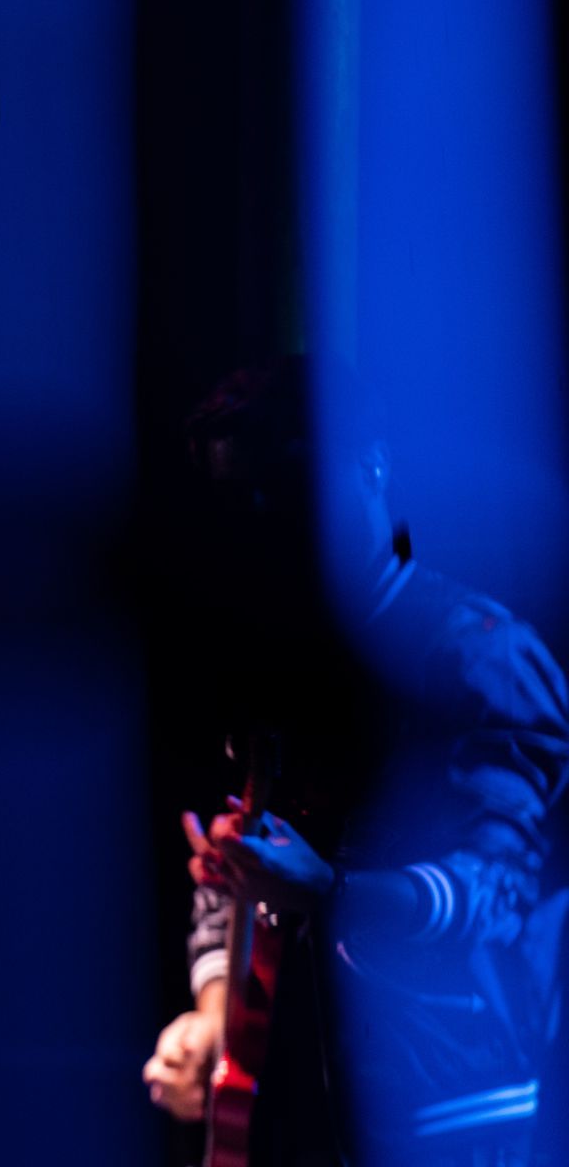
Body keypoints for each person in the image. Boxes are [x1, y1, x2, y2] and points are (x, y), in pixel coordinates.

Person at [142, 359, 568, 1164]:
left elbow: (500, 891)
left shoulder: (479, 655)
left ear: (370, 465)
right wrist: (211, 1014)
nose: (262, 525)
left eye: (282, 488)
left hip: (458, 1098)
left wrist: (332, 891)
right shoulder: (266, 657)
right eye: (237, 504)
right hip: (298, 1101)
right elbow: (246, 864)